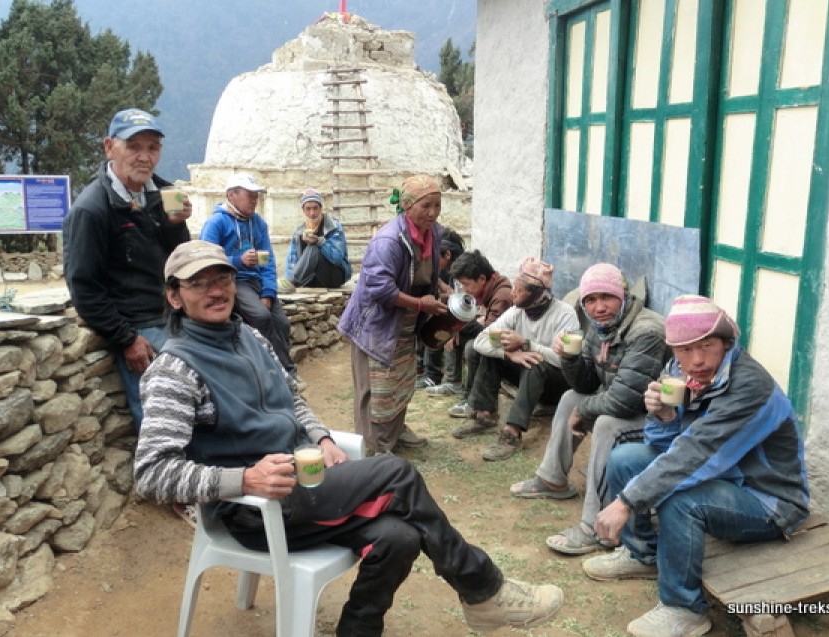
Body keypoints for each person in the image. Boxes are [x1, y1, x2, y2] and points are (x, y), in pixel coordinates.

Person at [133, 240, 565, 636]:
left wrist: (321, 439)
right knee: (395, 472)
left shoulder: (250, 338)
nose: (215, 290)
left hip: (305, 491)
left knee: (401, 537)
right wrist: (244, 480)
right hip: (257, 511)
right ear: (174, 296)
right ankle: (484, 588)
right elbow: (152, 473)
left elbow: (293, 401)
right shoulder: (174, 371)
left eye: (222, 278)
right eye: (198, 284)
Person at [583, 295, 809, 637]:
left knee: (683, 498)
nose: (697, 360)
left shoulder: (749, 386)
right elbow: (663, 445)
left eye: (708, 346)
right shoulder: (677, 372)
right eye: (685, 350)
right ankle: (641, 554)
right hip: (718, 476)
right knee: (625, 458)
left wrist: (626, 502)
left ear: (727, 343)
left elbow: (695, 452)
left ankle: (684, 609)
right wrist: (662, 415)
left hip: (767, 499)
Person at [506, 264, 669, 556]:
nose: (599, 307)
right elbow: (586, 383)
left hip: (663, 421)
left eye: (607, 297)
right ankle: (552, 479)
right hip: (630, 407)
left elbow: (625, 400)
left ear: (624, 297)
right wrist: (568, 358)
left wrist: (585, 410)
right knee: (570, 396)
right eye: (590, 300)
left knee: (606, 423)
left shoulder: (647, 331)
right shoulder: (601, 328)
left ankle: (597, 527)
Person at [63, 107, 191, 432]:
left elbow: (181, 260)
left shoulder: (162, 194)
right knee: (162, 420)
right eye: (133, 147)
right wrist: (126, 338)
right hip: (140, 326)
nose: (144, 157)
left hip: (175, 316)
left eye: (152, 148)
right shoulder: (91, 210)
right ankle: (162, 475)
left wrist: (176, 226)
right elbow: (84, 289)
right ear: (110, 147)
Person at [337, 175, 450, 455]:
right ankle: (373, 447)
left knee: (401, 380)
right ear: (408, 206)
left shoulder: (432, 232)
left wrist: (441, 286)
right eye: (426, 206)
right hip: (376, 323)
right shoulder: (388, 241)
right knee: (373, 389)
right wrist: (422, 305)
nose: (433, 213)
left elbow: (426, 269)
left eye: (437, 205)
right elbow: (380, 289)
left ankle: (396, 431)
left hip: (405, 320)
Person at [456, 257, 579, 461]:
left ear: (537, 293)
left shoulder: (566, 315)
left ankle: (512, 433)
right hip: (529, 378)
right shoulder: (515, 312)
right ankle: (484, 416)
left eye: (519, 289)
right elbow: (480, 341)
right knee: (492, 353)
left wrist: (527, 344)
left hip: (559, 384)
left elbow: (569, 360)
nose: (513, 293)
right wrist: (509, 353)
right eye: (514, 287)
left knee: (534, 363)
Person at [199, 173, 305, 390]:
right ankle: (272, 372)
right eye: (250, 195)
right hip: (232, 281)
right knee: (260, 316)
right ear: (232, 195)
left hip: (257, 282)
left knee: (282, 323)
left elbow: (267, 260)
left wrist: (268, 291)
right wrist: (237, 261)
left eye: (256, 196)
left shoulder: (258, 223)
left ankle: (286, 371)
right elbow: (206, 258)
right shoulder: (217, 222)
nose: (254, 200)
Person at [427, 249, 513, 418]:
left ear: (482, 278)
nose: (464, 290)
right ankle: (457, 386)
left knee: (472, 348)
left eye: (466, 284)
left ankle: (472, 400)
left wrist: (459, 326)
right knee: (456, 333)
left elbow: (492, 335)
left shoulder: (501, 296)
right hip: (495, 340)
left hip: (507, 351)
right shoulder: (491, 288)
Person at [416, 227, 466, 389]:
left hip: (465, 318)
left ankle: (436, 375)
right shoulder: (443, 269)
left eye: (436, 256)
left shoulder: (462, 270)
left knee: (438, 324)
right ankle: (422, 368)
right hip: (454, 313)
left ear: (448, 255)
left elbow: (461, 301)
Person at [284, 187, 352, 288]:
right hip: (311, 277)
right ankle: (292, 280)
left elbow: (337, 258)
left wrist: (319, 241)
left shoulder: (334, 227)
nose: (312, 213)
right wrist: (288, 275)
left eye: (315, 208)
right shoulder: (299, 231)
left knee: (313, 247)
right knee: (309, 248)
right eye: (308, 209)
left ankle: (292, 282)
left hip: (333, 275)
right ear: (303, 210)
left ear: (321, 208)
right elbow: (292, 260)